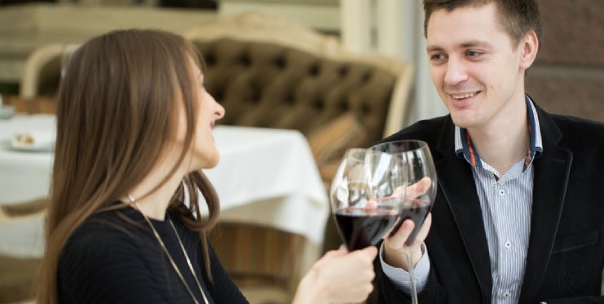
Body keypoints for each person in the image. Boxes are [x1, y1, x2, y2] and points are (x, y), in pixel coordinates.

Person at [374, 0, 604, 303]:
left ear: (526, 50)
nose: (452, 76)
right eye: (438, 56)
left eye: (473, 52)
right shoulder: (398, 161)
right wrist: (403, 264)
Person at [36, 29, 378, 304]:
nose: (218, 109)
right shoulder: (102, 251)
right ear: (147, 105)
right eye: (197, 88)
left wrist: (322, 282)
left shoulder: (176, 224)